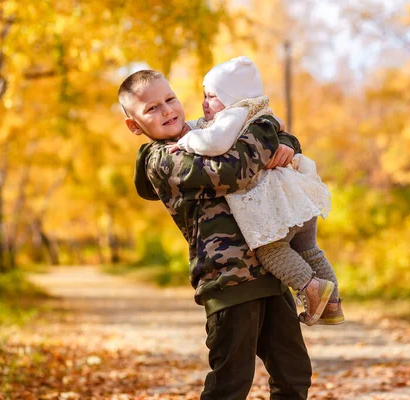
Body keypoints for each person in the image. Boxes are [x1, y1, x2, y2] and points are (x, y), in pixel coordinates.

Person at [119, 70, 311, 399]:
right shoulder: (163, 160)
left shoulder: (205, 132)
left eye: (170, 99)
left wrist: (286, 143)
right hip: (228, 280)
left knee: (294, 373)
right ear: (134, 125)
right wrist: (267, 128)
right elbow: (233, 171)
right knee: (231, 384)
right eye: (151, 109)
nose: (166, 110)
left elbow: (252, 130)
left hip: (270, 268)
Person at [173, 56, 343, 325]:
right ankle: (333, 305)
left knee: (270, 250)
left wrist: (185, 141)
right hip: (298, 199)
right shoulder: (258, 113)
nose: (204, 102)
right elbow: (202, 125)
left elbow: (215, 142)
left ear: (232, 98)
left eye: (212, 96)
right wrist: (191, 127)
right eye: (203, 96)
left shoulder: (233, 115)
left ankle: (311, 289)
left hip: (276, 207)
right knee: (308, 248)